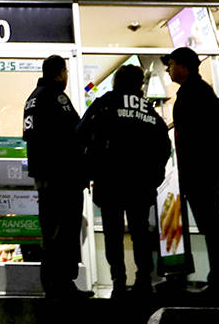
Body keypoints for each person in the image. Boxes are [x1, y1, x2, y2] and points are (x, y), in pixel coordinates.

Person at [77, 64, 171, 301]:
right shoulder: (148, 110)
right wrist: (155, 174)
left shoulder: (105, 103)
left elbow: (81, 132)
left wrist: (90, 164)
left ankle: (119, 282)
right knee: (140, 232)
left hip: (110, 180)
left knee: (113, 232)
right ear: (139, 84)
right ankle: (143, 281)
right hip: (141, 183)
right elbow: (163, 145)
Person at [163, 46, 219, 304]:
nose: (168, 70)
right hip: (199, 170)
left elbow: (206, 132)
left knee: (212, 226)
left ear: (183, 65)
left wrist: (196, 161)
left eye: (170, 64)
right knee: (211, 226)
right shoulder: (197, 92)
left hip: (200, 171)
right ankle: (218, 281)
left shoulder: (197, 93)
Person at [23, 55, 91, 300]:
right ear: (60, 73)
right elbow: (75, 132)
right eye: (66, 72)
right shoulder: (55, 96)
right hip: (62, 174)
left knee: (50, 229)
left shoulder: (32, 97)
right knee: (64, 228)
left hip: (43, 174)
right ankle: (63, 284)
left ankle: (52, 283)